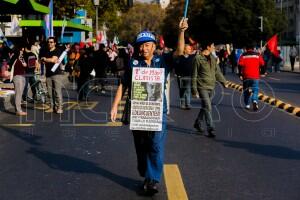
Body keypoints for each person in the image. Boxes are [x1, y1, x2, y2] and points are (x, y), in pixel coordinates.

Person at [110, 19, 188, 195]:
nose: (143, 49)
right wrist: (115, 106)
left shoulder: (163, 60)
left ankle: (153, 180)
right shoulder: (133, 63)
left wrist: (181, 32)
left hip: (158, 111)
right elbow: (124, 85)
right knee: (141, 146)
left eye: (146, 45)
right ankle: (146, 173)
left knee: (155, 145)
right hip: (137, 112)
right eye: (140, 46)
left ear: (153, 46)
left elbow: (180, 51)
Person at [192, 40, 228, 138]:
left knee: (205, 107)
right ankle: (211, 128)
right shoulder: (198, 59)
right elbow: (194, 75)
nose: (214, 47)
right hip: (202, 86)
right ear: (208, 47)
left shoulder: (212, 58)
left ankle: (197, 122)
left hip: (211, 86)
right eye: (212, 45)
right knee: (208, 107)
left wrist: (224, 81)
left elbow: (217, 72)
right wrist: (194, 90)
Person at [40, 37, 64, 114]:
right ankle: (51, 107)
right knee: (49, 92)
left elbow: (53, 60)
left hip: (56, 73)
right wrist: (44, 60)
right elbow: (41, 60)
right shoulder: (46, 51)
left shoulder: (57, 50)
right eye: (49, 42)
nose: (49, 43)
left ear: (55, 43)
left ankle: (59, 107)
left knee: (57, 91)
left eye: (51, 42)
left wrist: (45, 59)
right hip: (48, 74)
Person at [238, 44, 265, 111]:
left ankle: (247, 105)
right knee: (255, 90)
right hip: (255, 76)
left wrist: (240, 75)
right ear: (253, 48)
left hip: (246, 76)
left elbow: (239, 65)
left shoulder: (243, 55)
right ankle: (254, 100)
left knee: (246, 91)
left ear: (246, 49)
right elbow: (262, 64)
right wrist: (262, 72)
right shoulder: (258, 55)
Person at [174, 43, 195, 110]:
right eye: (188, 49)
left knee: (188, 90)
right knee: (182, 91)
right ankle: (182, 104)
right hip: (181, 77)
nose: (190, 50)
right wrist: (177, 74)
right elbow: (176, 66)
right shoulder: (180, 57)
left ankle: (188, 104)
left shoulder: (192, 57)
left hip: (188, 77)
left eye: (190, 49)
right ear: (184, 50)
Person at [10, 45, 28, 116]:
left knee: (20, 94)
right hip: (17, 77)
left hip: (22, 76)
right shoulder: (16, 57)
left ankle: (18, 109)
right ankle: (18, 110)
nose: (23, 51)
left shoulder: (21, 58)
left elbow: (25, 65)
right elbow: (24, 65)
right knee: (18, 94)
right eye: (22, 50)